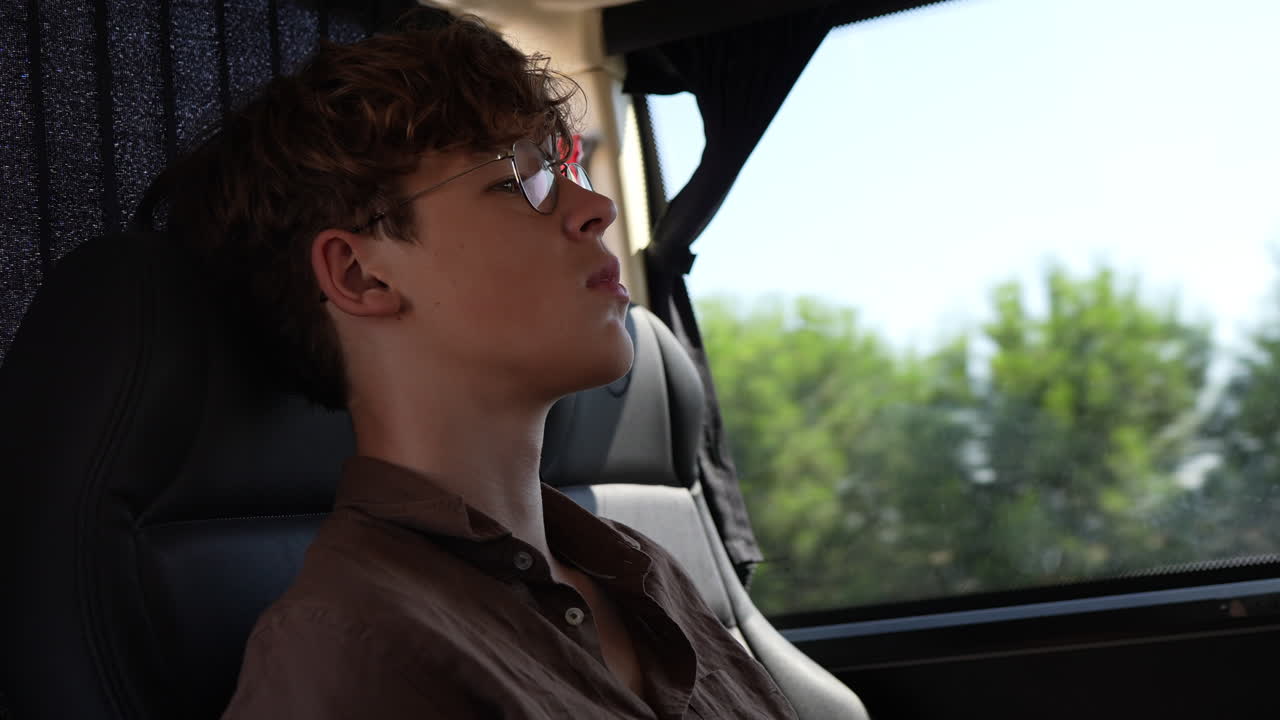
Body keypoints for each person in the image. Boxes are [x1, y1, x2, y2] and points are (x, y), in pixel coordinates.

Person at [156, 6, 798, 718]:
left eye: (563, 167)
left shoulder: (642, 571)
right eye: (518, 179)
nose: (598, 208)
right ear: (361, 276)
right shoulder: (354, 653)